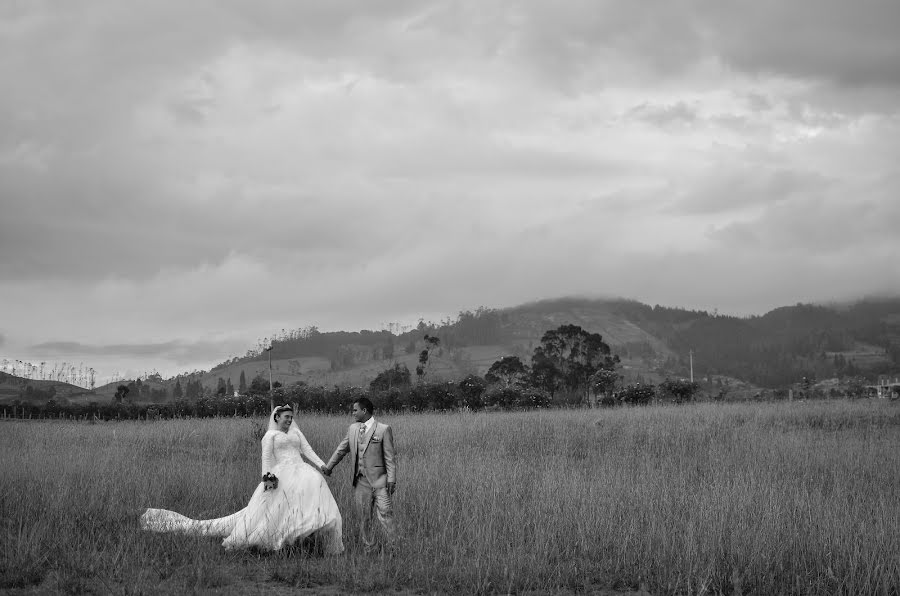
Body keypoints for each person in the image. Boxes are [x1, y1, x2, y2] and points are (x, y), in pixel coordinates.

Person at [140, 404, 343, 554]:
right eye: (286, 417)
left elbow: (308, 450)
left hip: (303, 471)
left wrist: (322, 465)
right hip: (282, 474)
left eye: (291, 417)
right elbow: (266, 460)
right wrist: (268, 480)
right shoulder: (270, 437)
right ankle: (280, 541)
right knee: (276, 510)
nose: (289, 420)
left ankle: (305, 538)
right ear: (277, 417)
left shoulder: (296, 433)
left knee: (309, 499)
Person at [322, 397, 396, 553]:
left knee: (386, 514)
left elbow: (390, 457)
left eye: (355, 410)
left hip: (380, 480)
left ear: (364, 411)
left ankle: (393, 548)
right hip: (360, 482)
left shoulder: (383, 429)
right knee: (364, 518)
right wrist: (329, 466)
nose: (353, 413)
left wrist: (392, 479)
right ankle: (370, 548)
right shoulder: (353, 429)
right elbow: (342, 449)